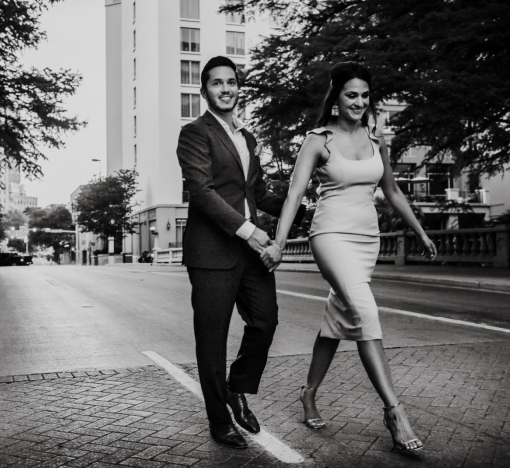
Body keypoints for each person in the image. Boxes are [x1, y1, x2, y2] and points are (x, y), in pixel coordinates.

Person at [267, 62, 437, 453]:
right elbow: (294, 195)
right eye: (351, 95)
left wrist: (421, 231)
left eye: (364, 94)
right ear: (336, 98)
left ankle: (308, 393)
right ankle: (395, 412)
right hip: (329, 236)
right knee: (366, 313)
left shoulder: (378, 141)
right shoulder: (318, 140)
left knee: (340, 317)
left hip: (366, 241)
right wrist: (278, 242)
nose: (359, 102)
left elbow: (392, 192)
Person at [176, 56, 304, 449]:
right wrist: (251, 232)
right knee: (211, 341)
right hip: (212, 252)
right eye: (217, 83)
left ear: (238, 87)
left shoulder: (247, 138)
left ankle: (236, 387)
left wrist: (299, 202)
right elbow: (204, 193)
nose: (226, 89)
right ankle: (219, 421)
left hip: (249, 253)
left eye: (231, 82)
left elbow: (256, 193)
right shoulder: (194, 134)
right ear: (205, 91)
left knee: (265, 321)